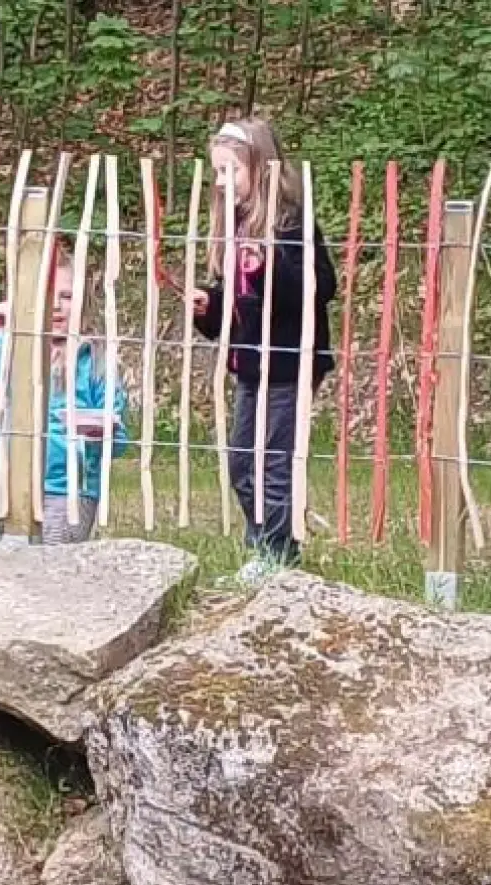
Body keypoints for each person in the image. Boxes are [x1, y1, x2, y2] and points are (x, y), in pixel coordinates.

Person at [190, 117, 337, 585]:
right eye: (216, 172)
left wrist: (270, 259)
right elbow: (233, 311)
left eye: (229, 171)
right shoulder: (233, 226)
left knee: (273, 463)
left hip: (290, 364)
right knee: (241, 463)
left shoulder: (292, 222)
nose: (220, 182)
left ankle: (275, 559)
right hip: (250, 365)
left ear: (261, 168)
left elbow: (321, 287)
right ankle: (268, 549)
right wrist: (207, 307)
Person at [0, 241, 130, 544]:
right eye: (48, 295)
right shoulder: (10, 349)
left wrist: (101, 431)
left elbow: (118, 444)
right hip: (7, 479)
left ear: (82, 302)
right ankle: (0, 527)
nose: (56, 305)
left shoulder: (97, 363)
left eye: (66, 296)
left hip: (65, 490)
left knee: (48, 559)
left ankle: (32, 541)